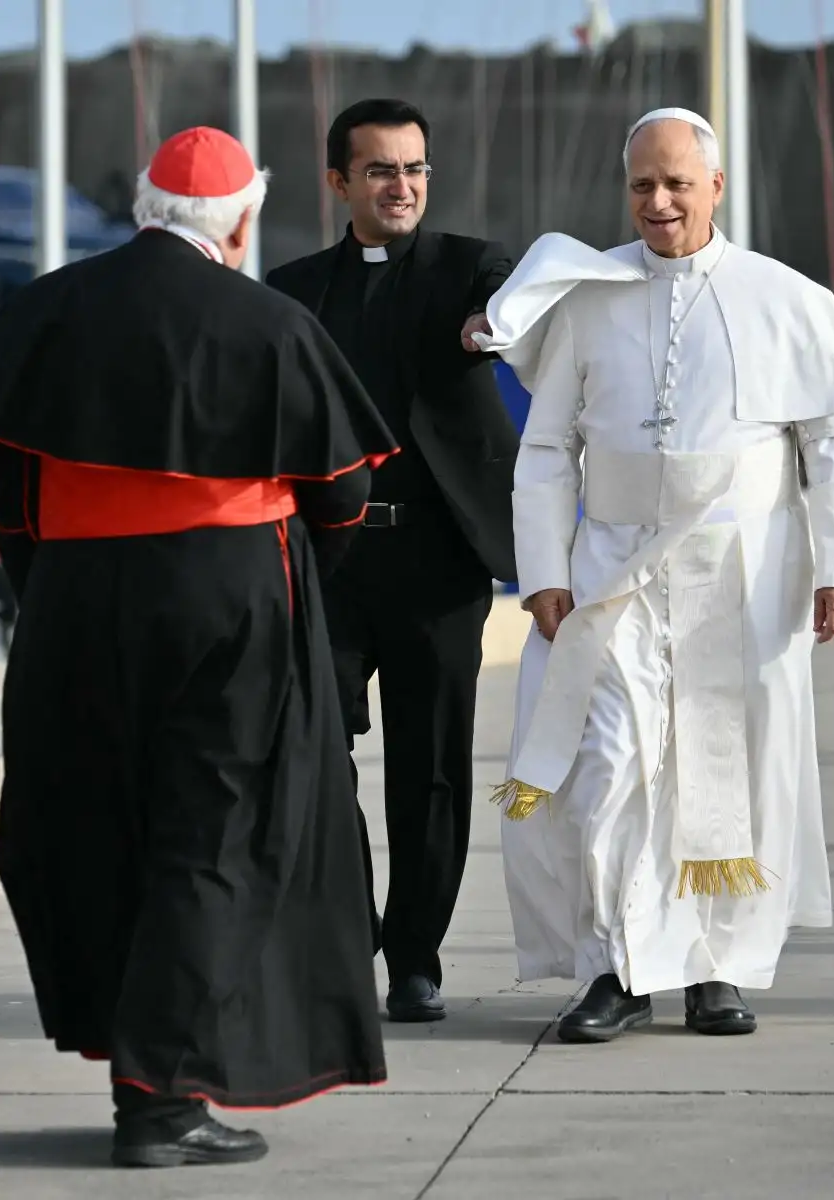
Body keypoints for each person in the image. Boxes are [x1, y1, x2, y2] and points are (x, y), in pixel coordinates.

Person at [0, 126, 393, 1168]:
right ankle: (159, 1100)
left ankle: (135, 1064)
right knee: (217, 835)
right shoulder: (270, 320)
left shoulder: (46, 308)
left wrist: (54, 587)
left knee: (105, 824)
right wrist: (287, 583)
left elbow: (7, 489)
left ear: (145, 207)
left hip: (74, 600)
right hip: (231, 600)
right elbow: (345, 492)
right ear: (240, 224)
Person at [463, 107, 834, 1043]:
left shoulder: (788, 298)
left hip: (740, 575)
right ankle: (616, 968)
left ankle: (716, 970)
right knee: (607, 764)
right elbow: (547, 449)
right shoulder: (589, 299)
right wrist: (542, 572)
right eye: (643, 186)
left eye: (677, 184)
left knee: (723, 771)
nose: (658, 202)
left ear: (715, 188)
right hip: (610, 571)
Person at [265, 98, 519, 1023]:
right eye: (380, 170)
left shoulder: (471, 268)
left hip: (440, 561)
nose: (401, 186)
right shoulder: (293, 292)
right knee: (310, 756)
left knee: (433, 767)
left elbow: (525, 293)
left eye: (414, 169)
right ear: (340, 182)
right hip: (328, 563)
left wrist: (498, 318)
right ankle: (348, 929)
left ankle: (415, 957)